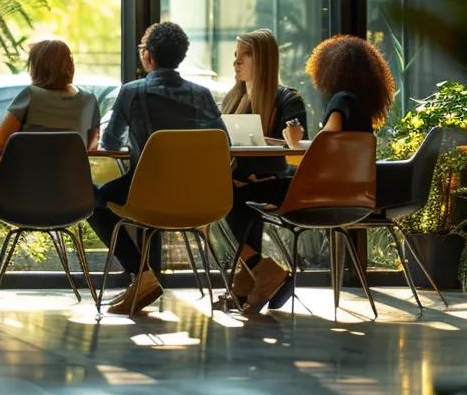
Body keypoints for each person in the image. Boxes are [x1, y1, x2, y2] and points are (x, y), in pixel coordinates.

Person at [242, 34, 394, 314]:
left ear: (331, 69)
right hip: (350, 196)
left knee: (236, 195)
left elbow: (324, 147)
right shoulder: (359, 109)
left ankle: (260, 273)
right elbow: (330, 145)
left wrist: (294, 144)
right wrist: (295, 144)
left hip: (318, 194)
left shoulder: (341, 101)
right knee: (248, 194)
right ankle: (255, 282)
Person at [90, 21, 224, 315]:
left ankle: (142, 274)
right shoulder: (201, 94)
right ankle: (144, 279)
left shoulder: (132, 92)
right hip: (199, 195)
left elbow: (111, 141)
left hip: (147, 191)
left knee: (93, 201)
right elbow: (221, 141)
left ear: (148, 55)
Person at [218, 29, 308, 308]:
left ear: (264, 60)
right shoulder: (231, 101)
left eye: (245, 55)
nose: (236, 62)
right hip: (242, 180)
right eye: (235, 56)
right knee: (222, 196)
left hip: (280, 182)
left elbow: (296, 148)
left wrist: (278, 140)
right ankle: (252, 276)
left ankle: (259, 273)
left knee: (230, 199)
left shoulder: (288, 99)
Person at [0, 39, 100, 150]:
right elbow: (92, 150)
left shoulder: (30, 95)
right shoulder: (89, 101)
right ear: (69, 66)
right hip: (74, 167)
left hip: (30, 167)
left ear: (36, 68)